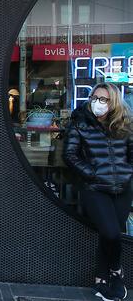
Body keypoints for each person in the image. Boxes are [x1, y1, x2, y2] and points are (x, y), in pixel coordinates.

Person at [63, 82, 132, 301]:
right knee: (110, 232)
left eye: (103, 99)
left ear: (113, 103)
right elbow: (70, 155)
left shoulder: (125, 125)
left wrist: (127, 174)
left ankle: (101, 278)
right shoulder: (79, 123)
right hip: (95, 188)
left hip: (122, 188)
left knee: (109, 234)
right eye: (94, 98)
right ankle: (116, 271)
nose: (98, 103)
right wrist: (91, 174)